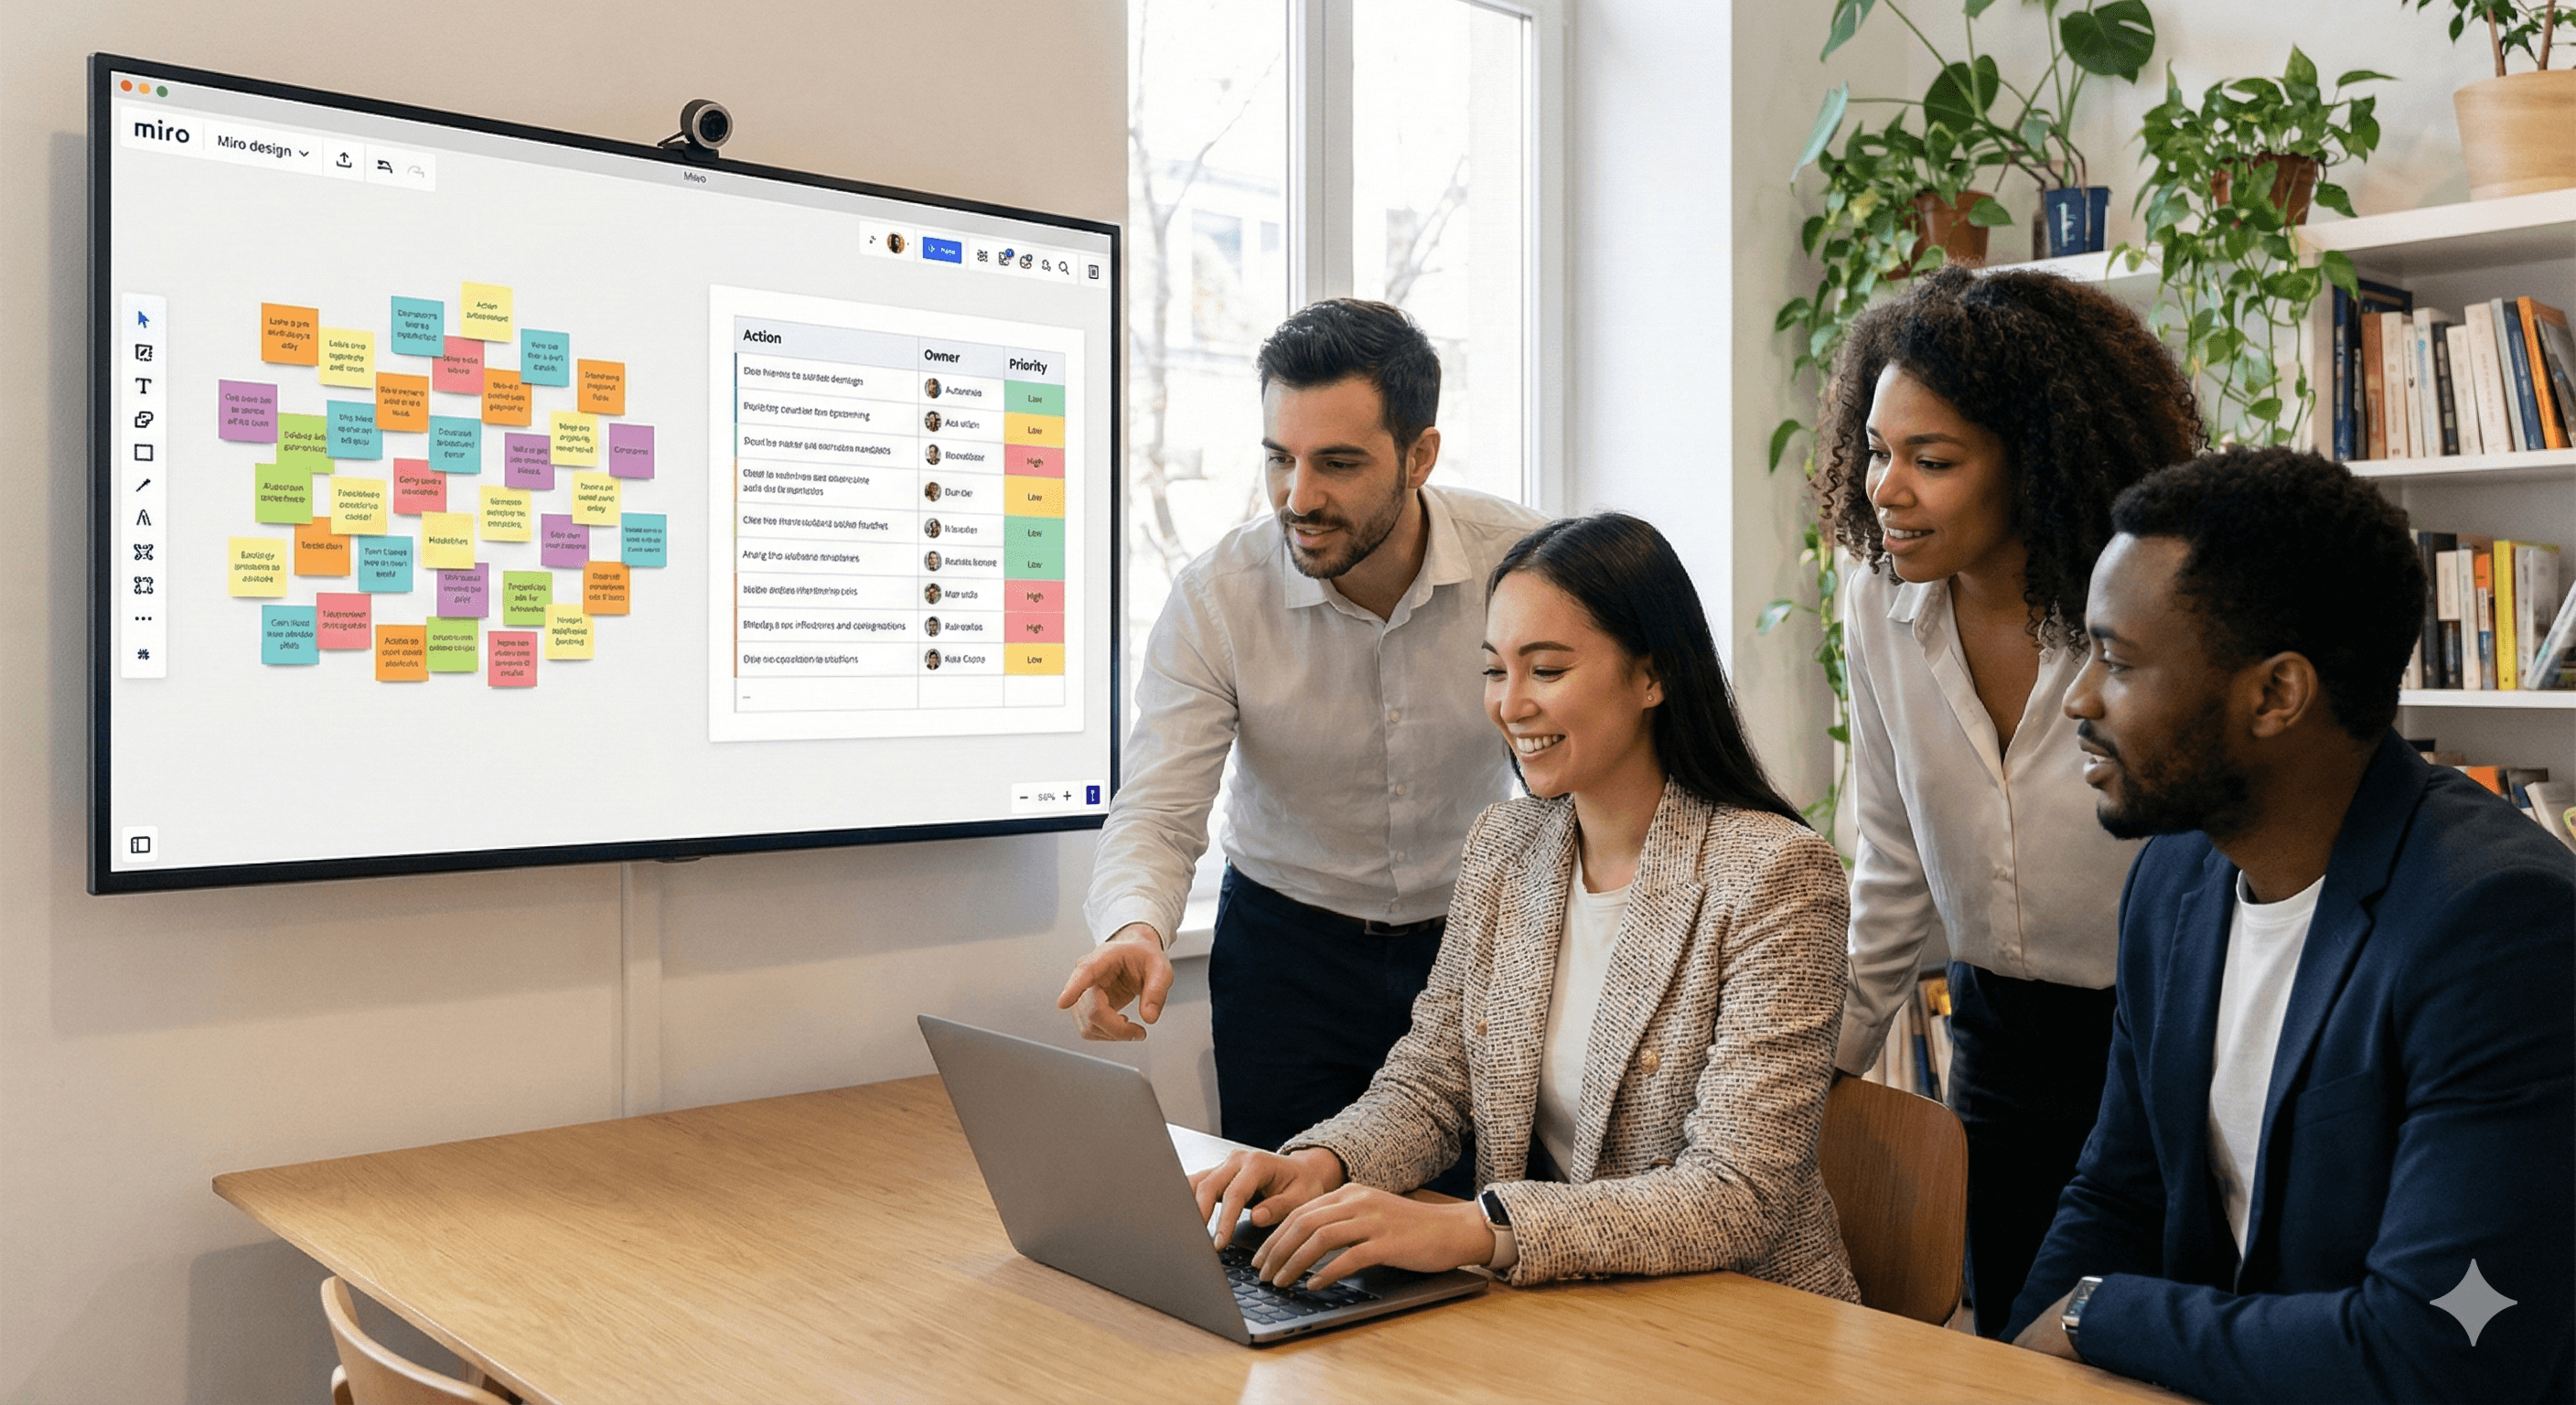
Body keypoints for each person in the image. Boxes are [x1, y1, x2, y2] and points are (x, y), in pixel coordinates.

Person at [2005, 448, 2574, 1402]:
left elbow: (2435, 1348)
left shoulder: (2498, 928)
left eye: (2117, 661)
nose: (2078, 698)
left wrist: (2093, 1314)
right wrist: (1994, 1374)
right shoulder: (2174, 879)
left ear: (2274, 695)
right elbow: (2116, 1192)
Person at [1187, 514, 1860, 1300]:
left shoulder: (1777, 874)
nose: (1510, 706)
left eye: (1545, 670)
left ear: (1653, 675)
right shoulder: (1506, 846)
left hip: (1746, 1317)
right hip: (1570, 1307)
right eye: (1493, 670)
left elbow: (1736, 1193)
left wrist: (1475, 1229)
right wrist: (1316, 1165)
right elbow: (1434, 1084)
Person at [1057, 298, 1546, 1171]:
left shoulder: (1525, 565)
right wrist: (1133, 928)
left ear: (1421, 455)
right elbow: (1161, 812)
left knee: (1487, 1227)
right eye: (1279, 460)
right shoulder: (1218, 597)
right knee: (1283, 1234)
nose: (1299, 497)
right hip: (1288, 959)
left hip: (1475, 945)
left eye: (1339, 463)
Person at [1814, 263, 2204, 1335]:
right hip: (1995, 1043)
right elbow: (1892, 865)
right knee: (2014, 1349)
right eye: (1878, 451)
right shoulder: (1877, 597)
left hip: (2168, 1041)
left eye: (1929, 461)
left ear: (2032, 467)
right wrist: (1811, 1073)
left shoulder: (2143, 608)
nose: (1882, 488)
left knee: (2150, 1349)